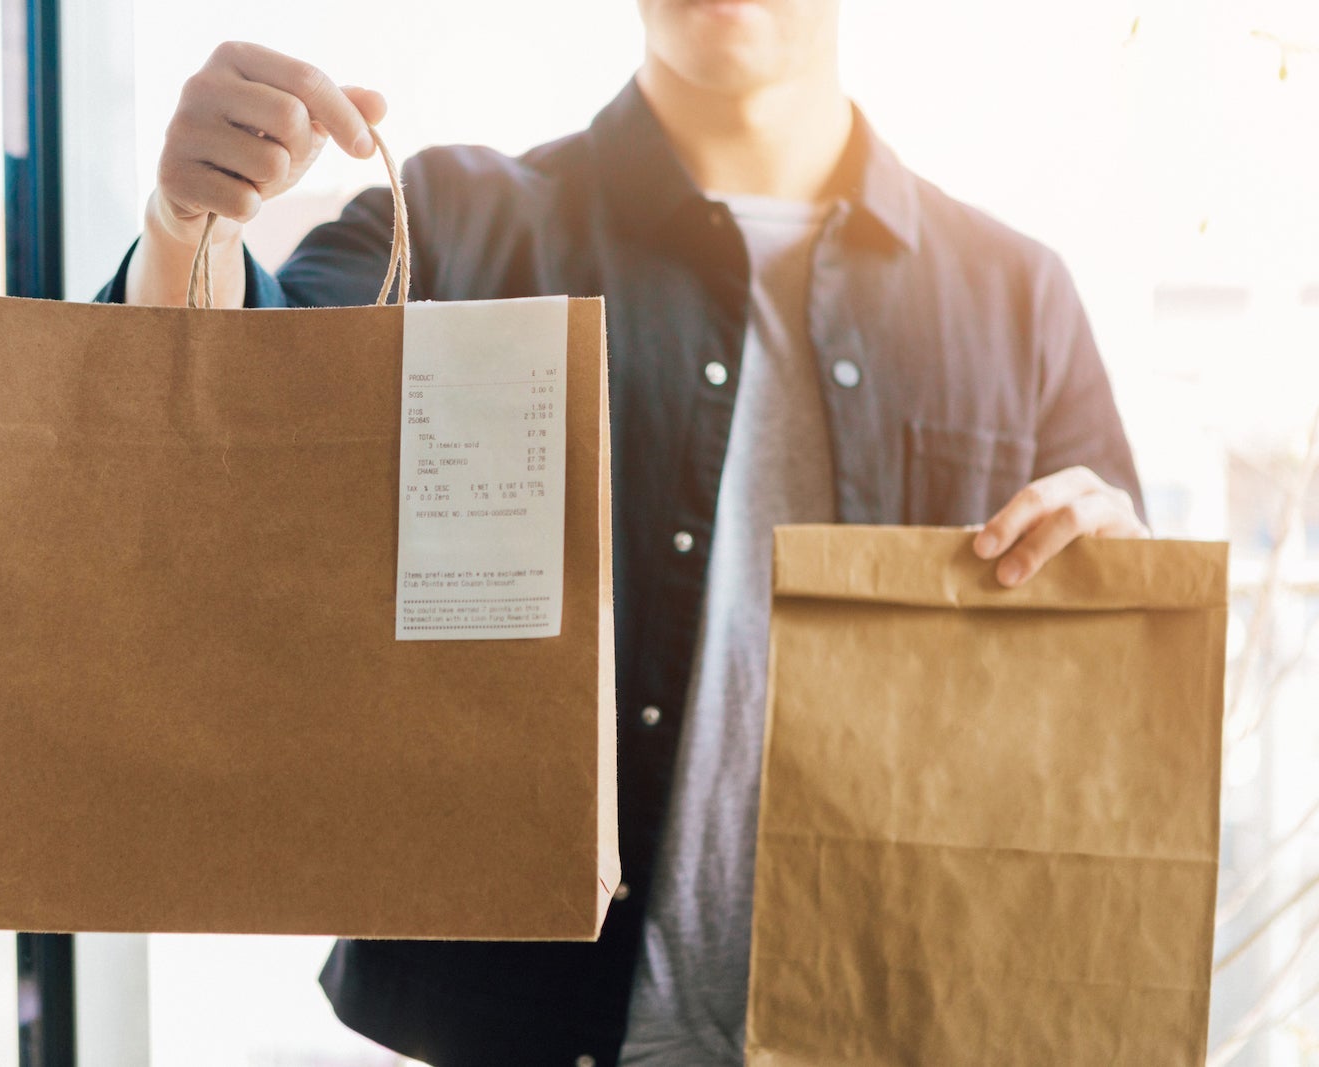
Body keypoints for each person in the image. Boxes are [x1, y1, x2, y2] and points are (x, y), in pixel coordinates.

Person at [98, 1, 1150, 1063]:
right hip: (517, 1031)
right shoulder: (456, 219)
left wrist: (1117, 579)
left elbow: (1118, 724)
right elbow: (223, 451)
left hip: (898, 1030)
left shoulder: (1018, 297)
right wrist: (190, 227)